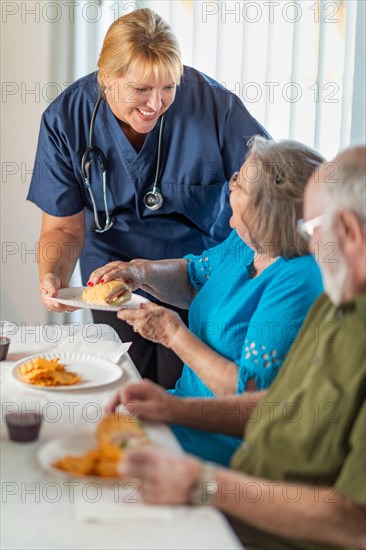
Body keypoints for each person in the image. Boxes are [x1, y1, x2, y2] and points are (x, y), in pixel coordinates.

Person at [105, 145, 366, 550]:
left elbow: (355, 524)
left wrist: (202, 484)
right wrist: (173, 407)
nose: (311, 249)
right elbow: (279, 404)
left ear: (349, 232)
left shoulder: (307, 282)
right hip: (241, 499)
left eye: (312, 230)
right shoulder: (343, 303)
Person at [27, 8, 269, 388]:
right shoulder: (66, 118)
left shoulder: (215, 107)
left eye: (168, 87)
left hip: (199, 280)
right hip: (114, 284)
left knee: (194, 395)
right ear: (106, 78)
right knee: (127, 395)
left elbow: (271, 187)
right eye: (141, 89)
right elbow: (61, 227)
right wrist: (53, 277)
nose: (155, 103)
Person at [89, 136, 324, 465]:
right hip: (180, 413)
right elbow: (193, 277)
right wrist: (140, 272)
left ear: (264, 210)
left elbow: (250, 397)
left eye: (239, 183)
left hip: (223, 445)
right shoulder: (246, 243)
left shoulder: (299, 279)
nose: (231, 185)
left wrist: (173, 334)